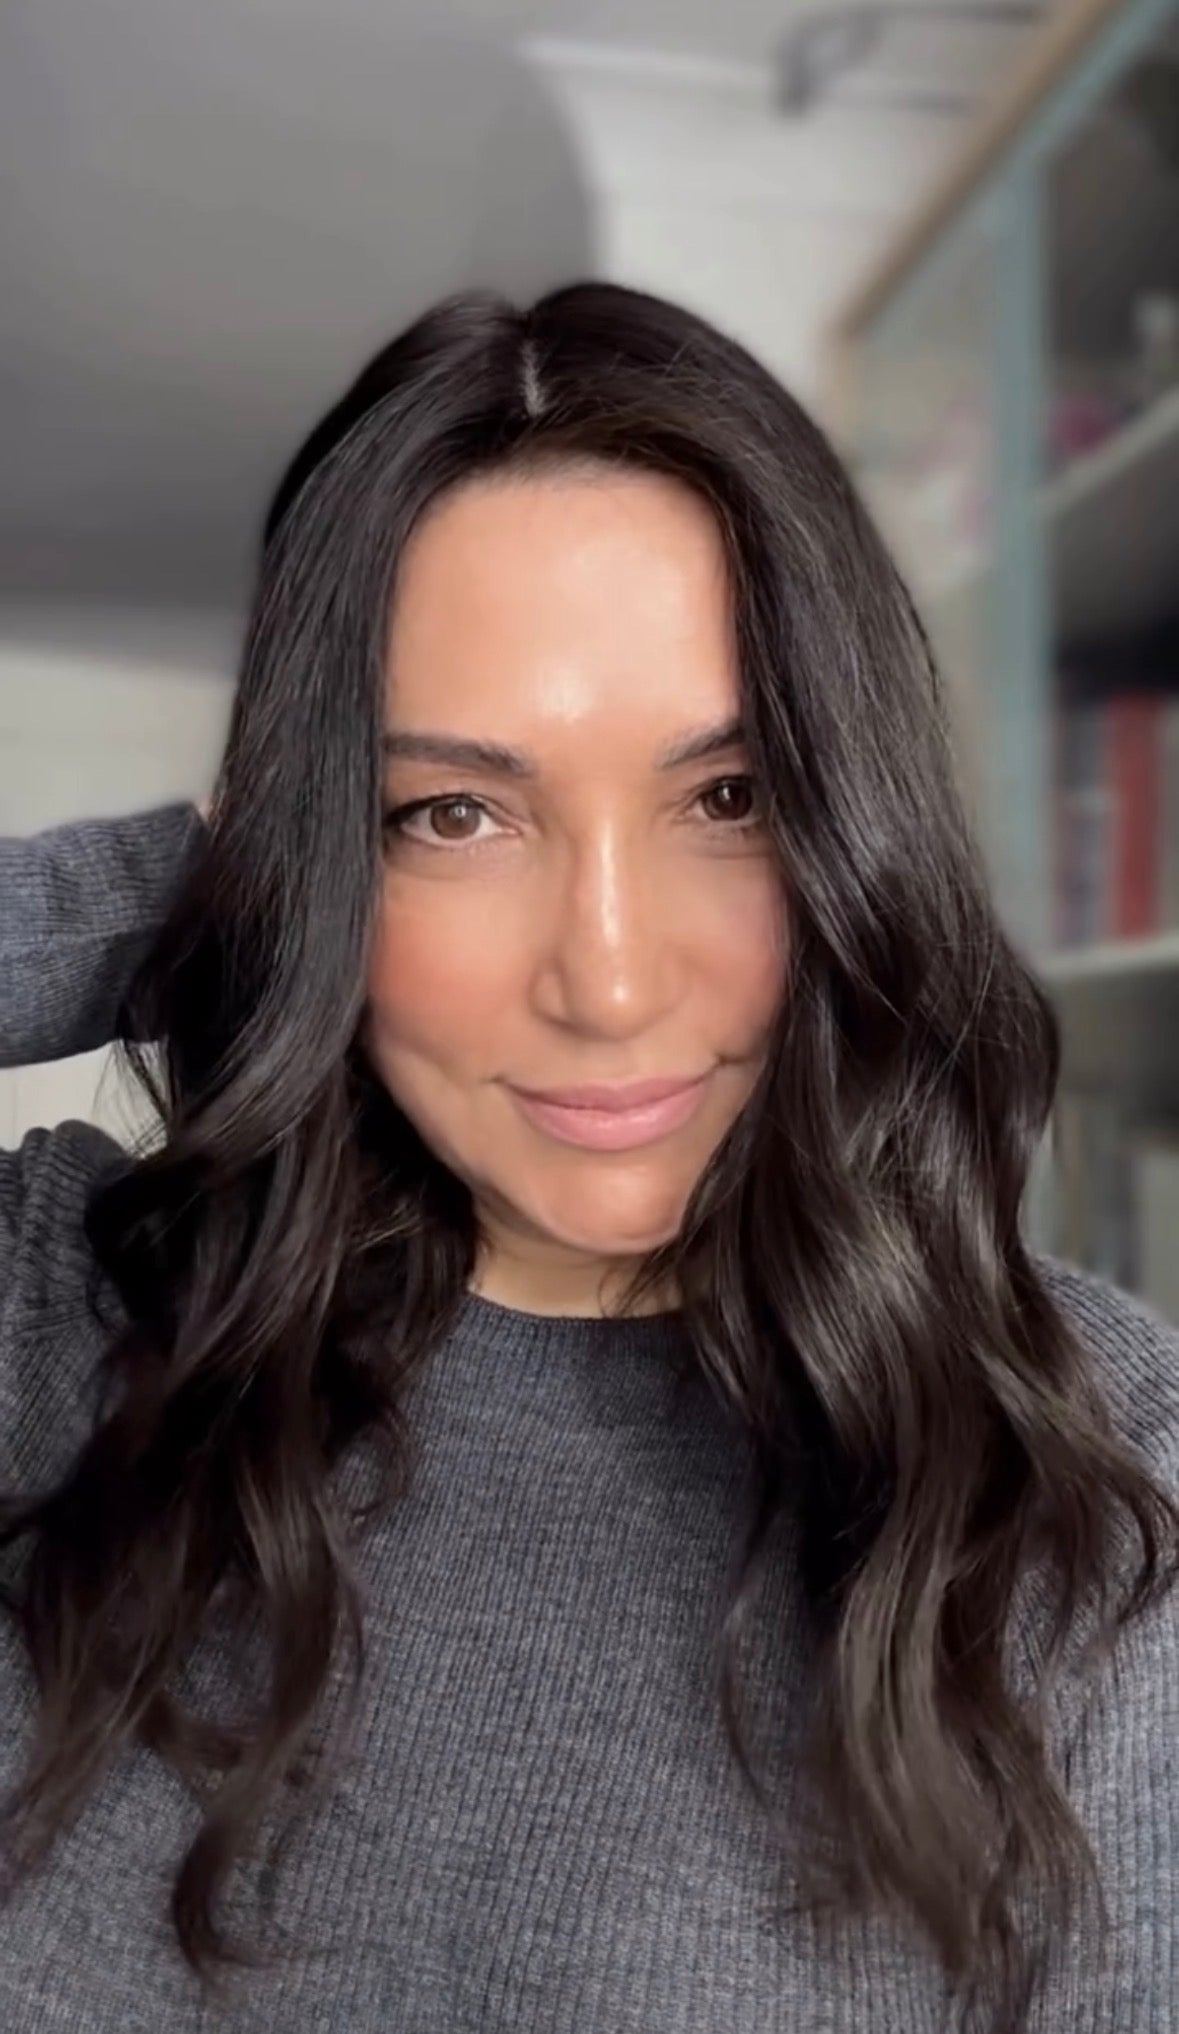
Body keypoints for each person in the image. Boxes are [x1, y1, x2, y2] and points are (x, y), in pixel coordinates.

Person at [0, 281, 1175, 2034]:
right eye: (452, 813)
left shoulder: (1106, 1491)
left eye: (729, 797)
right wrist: (200, 886)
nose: (609, 982)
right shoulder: (61, 1326)